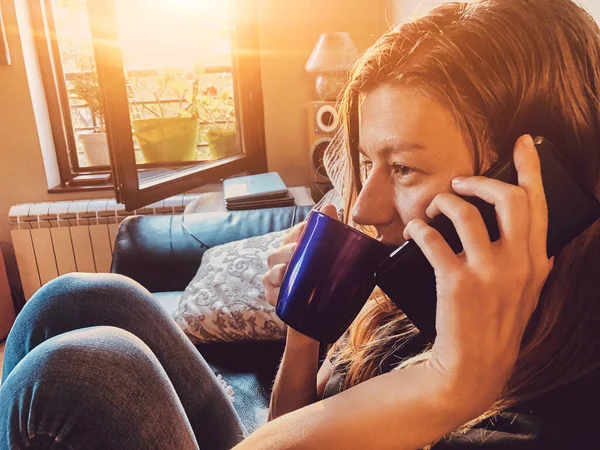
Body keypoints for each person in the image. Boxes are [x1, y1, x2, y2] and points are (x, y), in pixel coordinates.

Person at [1, 0, 598, 448]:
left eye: (406, 167)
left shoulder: (546, 419)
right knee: (79, 300)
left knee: (76, 375)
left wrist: (449, 387)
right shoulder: (424, 295)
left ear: (535, 183)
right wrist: (304, 332)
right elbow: (290, 427)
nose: (364, 207)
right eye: (368, 162)